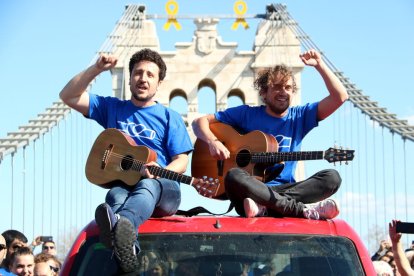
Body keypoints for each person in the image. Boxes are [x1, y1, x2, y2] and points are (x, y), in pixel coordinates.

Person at [59, 48, 193, 273]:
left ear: (159, 83)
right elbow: (68, 96)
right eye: (138, 73)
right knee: (114, 194)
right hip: (125, 186)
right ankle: (128, 247)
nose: (143, 78)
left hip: (164, 190)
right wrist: (97, 69)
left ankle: (125, 225)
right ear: (129, 79)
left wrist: (161, 170)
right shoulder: (112, 108)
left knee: (147, 185)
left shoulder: (170, 117)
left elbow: (181, 160)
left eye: (151, 75)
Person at [192, 49, 348, 220]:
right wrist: (213, 142)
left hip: (271, 195)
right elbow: (200, 122)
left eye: (288, 87)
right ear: (263, 93)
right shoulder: (247, 114)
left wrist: (320, 65)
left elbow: (340, 97)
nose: (283, 92)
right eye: (277, 87)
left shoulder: (300, 117)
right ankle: (300, 210)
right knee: (234, 175)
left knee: (332, 178)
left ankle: (268, 206)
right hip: (249, 191)